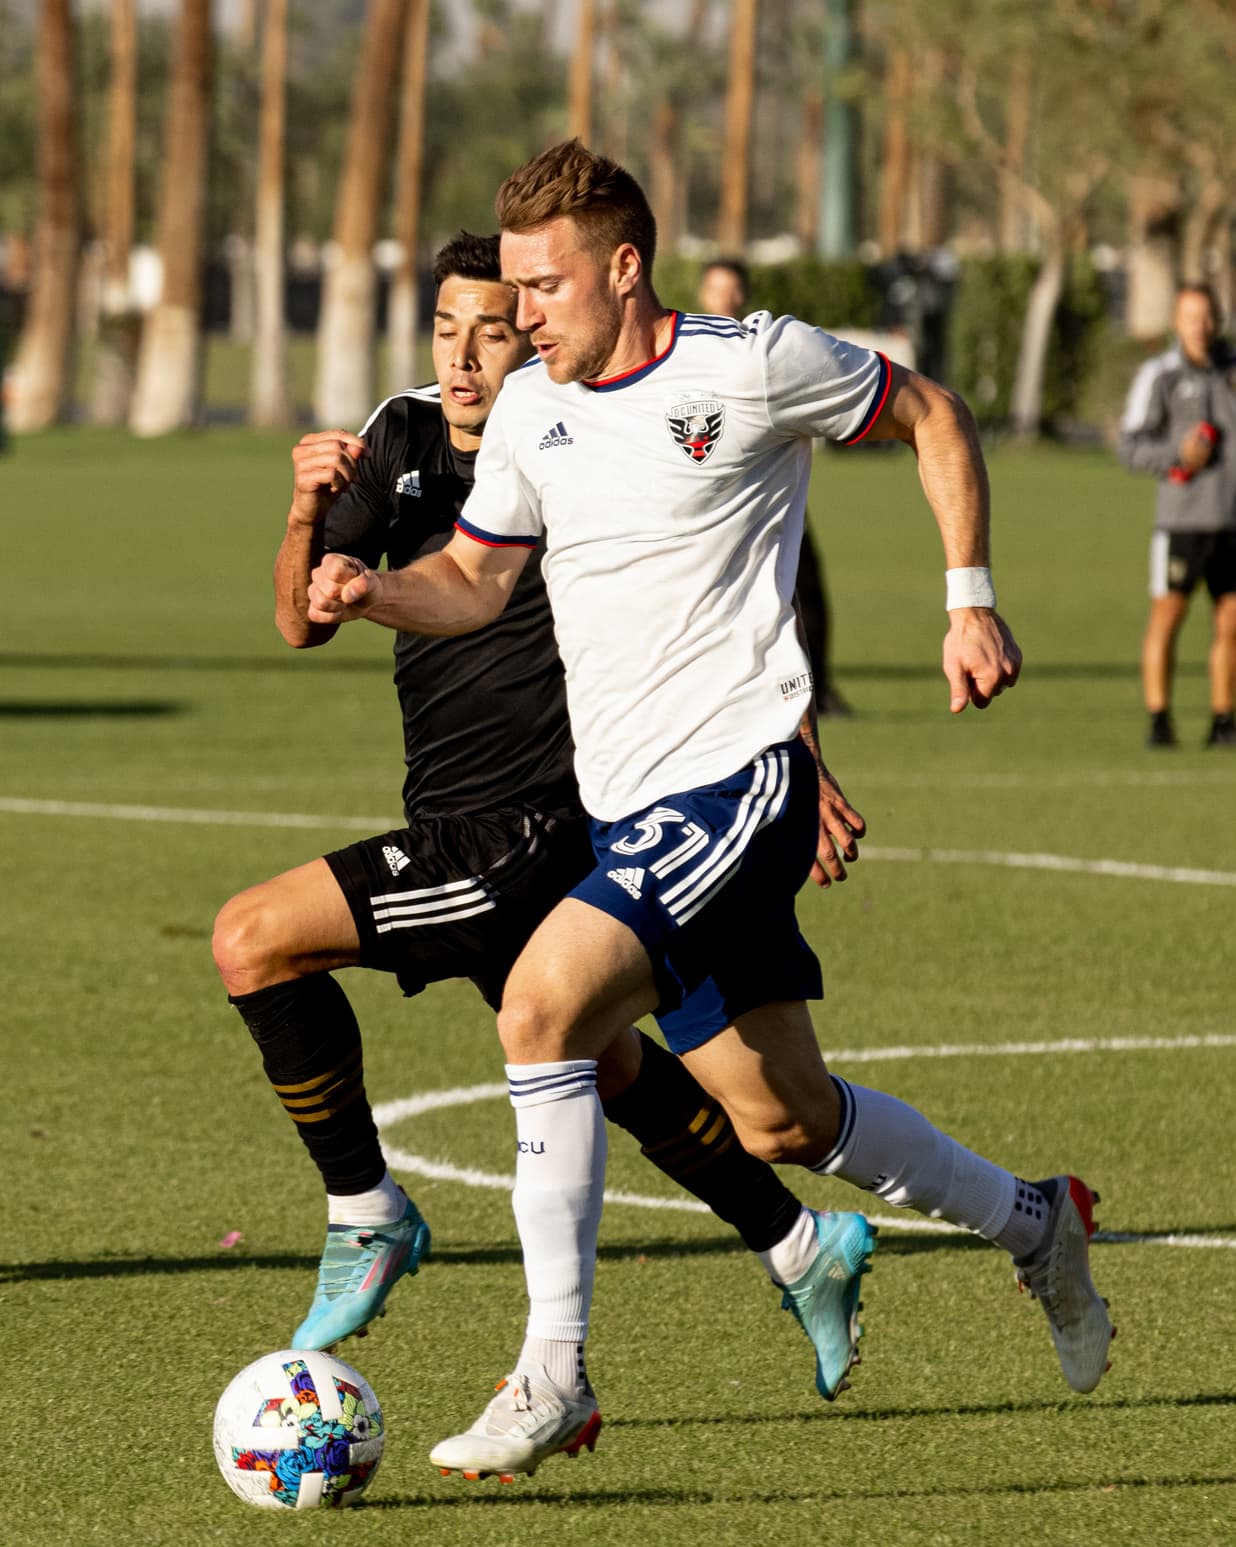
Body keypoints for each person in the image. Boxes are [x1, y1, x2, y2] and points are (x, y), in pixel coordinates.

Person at [308, 143, 1115, 1484]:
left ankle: (552, 1375)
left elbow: (931, 414)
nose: (524, 321)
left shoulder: (749, 364)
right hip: (633, 812)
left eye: (547, 289)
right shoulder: (529, 414)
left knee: (540, 1009)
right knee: (784, 1120)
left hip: (740, 779)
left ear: (624, 270)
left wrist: (968, 595)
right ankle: (1038, 1223)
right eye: (511, 293)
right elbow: (470, 579)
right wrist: (368, 590)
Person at [212, 230, 869, 1389]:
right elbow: (294, 623)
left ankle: (370, 1214)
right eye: (447, 332)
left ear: (536, 330)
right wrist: (304, 516)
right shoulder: (400, 432)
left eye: (495, 332)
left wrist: (796, 748)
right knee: (618, 1067)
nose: (465, 360)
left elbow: (715, 604)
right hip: (461, 810)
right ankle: (796, 1240)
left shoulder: (578, 435)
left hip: (526, 829)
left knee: (251, 939)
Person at [1117, 282, 1236, 749]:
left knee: (1234, 619)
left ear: (1219, 319)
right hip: (1183, 522)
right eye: (1191, 318)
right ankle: (1159, 720)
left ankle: (1224, 721)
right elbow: (1129, 446)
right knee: (1168, 615)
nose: (1200, 327)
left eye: (1207, 317)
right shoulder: (1160, 374)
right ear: (1176, 321)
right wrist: (1177, 454)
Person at [698, 257, 850, 717]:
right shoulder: (689, 353)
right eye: (717, 290)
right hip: (712, 500)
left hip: (774, 494)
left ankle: (818, 689)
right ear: (703, 294)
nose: (726, 299)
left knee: (807, 586)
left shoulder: (765, 355)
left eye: (734, 290)